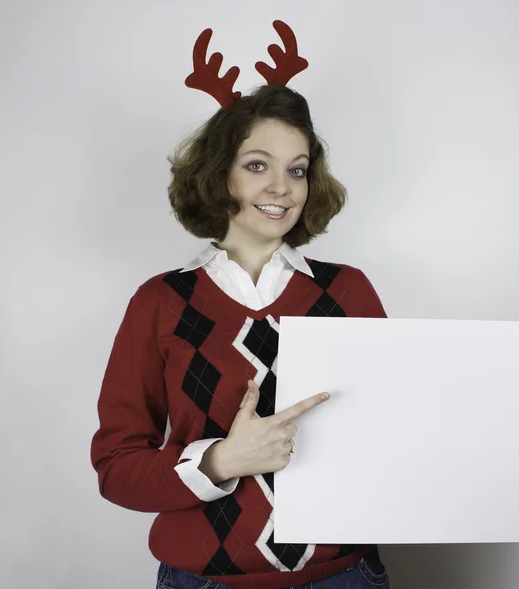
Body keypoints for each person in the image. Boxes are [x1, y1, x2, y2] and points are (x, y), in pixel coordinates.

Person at [91, 20, 390, 589]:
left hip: (345, 578)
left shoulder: (348, 291)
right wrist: (222, 461)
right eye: (258, 165)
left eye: (296, 169)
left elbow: (393, 430)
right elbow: (116, 467)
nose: (281, 187)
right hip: (202, 582)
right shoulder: (160, 302)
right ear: (219, 174)